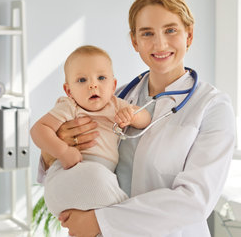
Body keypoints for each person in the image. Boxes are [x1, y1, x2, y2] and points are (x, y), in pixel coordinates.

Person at [37, 0, 236, 237]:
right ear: (135, 41)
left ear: (189, 34)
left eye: (171, 30)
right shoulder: (111, 97)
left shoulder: (213, 107)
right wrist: (51, 151)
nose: (160, 43)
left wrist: (100, 222)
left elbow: (195, 201)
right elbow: (77, 164)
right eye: (147, 33)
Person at [31, 45, 151, 216]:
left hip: (98, 184)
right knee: (103, 185)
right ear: (68, 90)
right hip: (66, 176)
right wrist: (63, 151)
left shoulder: (116, 104)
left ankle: (124, 219)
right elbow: (38, 130)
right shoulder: (69, 106)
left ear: (113, 85)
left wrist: (132, 116)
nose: (93, 85)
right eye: (82, 80)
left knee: (104, 188)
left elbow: (146, 118)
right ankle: (128, 217)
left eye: (101, 78)